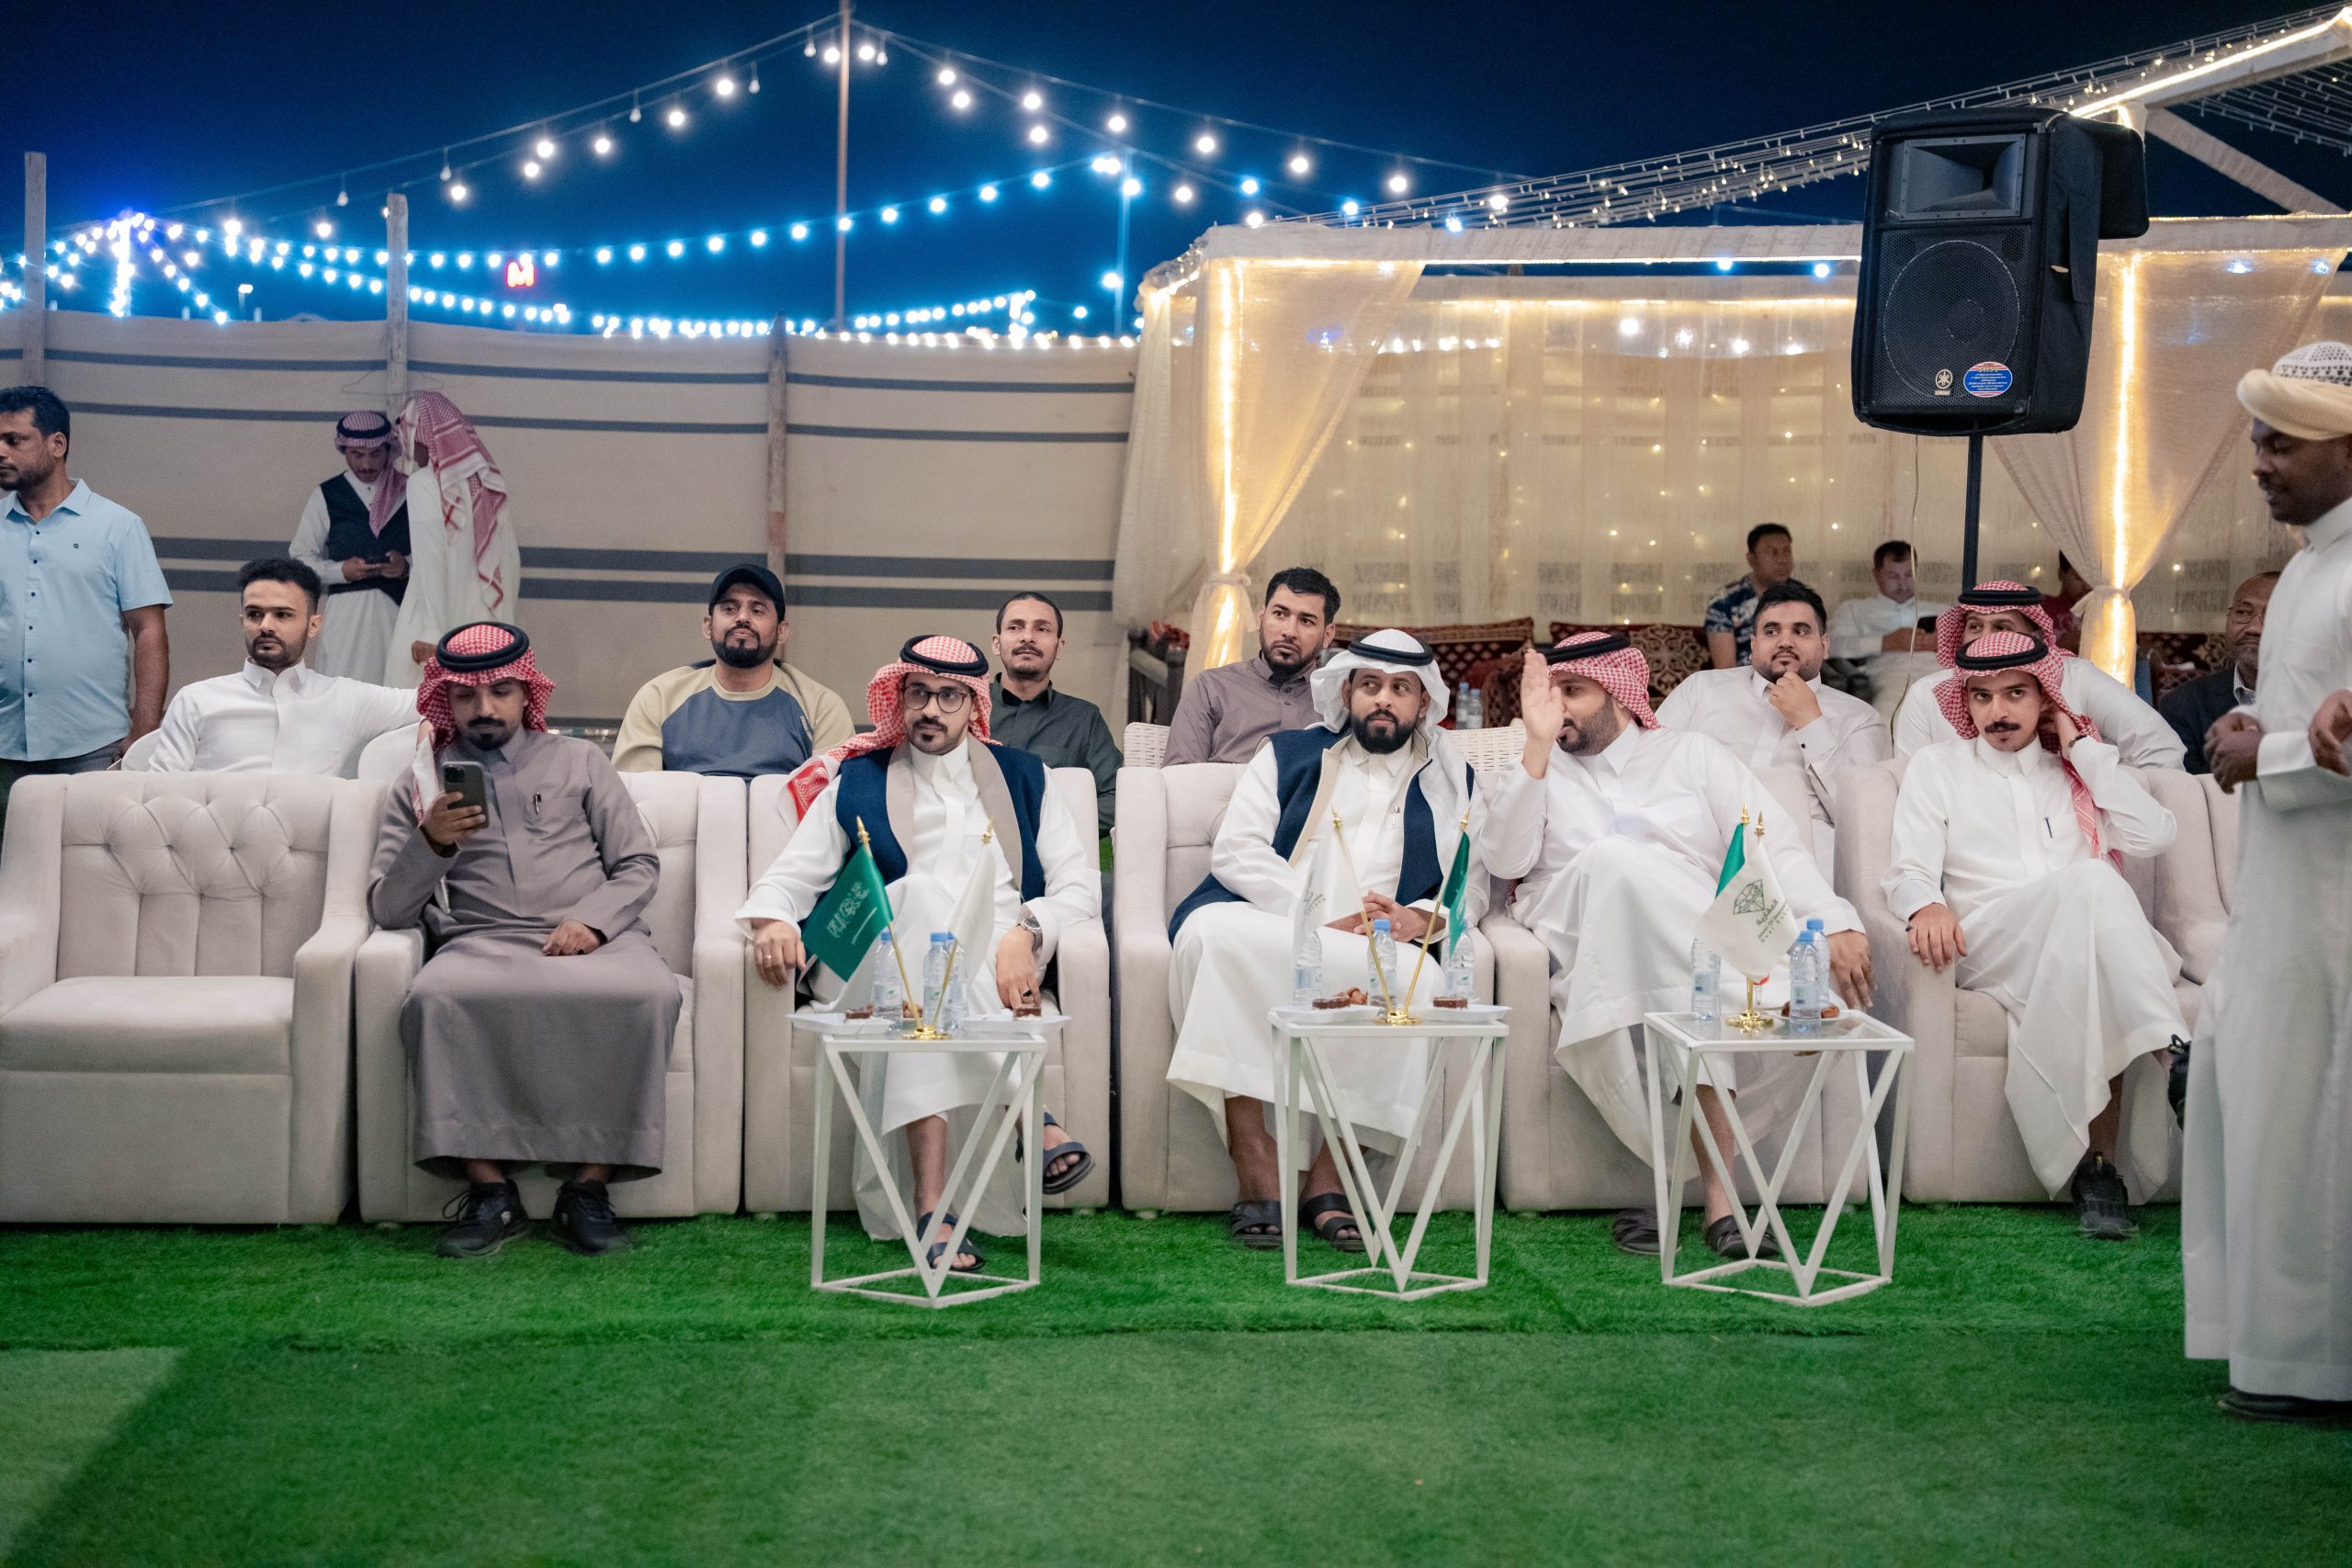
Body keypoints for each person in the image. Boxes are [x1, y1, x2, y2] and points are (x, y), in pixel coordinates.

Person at [1488, 632, 1872, 1260]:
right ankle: (1770, 994)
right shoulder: (1537, 766)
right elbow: (1505, 861)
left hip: (1686, 939)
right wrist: (1534, 746)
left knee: (1688, 981)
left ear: (1619, 693)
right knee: (1618, 863)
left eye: (1573, 692)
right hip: (1584, 933)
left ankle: (1712, 1195)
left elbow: (1769, 844)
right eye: (1549, 696)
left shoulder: (1692, 754)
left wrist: (1832, 920)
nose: (1558, 709)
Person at [739, 636, 1100, 1272]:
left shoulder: (1026, 777)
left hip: (989, 964)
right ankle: (1032, 1115)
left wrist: (1025, 932)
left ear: (975, 704)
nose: (931, 708)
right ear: (898, 697)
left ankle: (932, 1208)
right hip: (870, 965)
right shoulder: (858, 779)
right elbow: (789, 878)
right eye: (918, 693)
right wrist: (771, 918)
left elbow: (1079, 887)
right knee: (926, 900)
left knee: (940, 971)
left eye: (949, 696)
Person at [1165, 629, 1485, 1252]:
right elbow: (1236, 848)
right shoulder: (1287, 753)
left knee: (1419, 981)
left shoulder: (1455, 779)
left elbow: (1470, 885)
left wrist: (1420, 919)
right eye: (1370, 685)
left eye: (1401, 688)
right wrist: (1313, 916)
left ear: (1424, 702)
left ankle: (1331, 1175)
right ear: (1346, 692)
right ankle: (1253, 1156)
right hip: (1279, 921)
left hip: (1381, 941)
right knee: (1211, 935)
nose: (1384, 699)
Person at [369, 623, 680, 1259]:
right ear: (445, 700)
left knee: (650, 995)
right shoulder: (421, 785)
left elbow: (638, 864)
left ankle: (587, 1189)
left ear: (527, 693)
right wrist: (431, 841)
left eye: (500, 692)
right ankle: (492, 1191)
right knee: (434, 1000)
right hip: (480, 941)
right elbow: (389, 907)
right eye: (466, 696)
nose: (483, 708)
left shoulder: (581, 761)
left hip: (596, 937)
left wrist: (593, 921)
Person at [1883, 631, 2187, 1241]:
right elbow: (1909, 869)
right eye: (1982, 696)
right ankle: (2177, 1059)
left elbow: (2155, 834)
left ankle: (2099, 1175)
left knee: (2089, 940)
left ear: (2046, 698)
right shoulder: (1938, 767)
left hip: (2081, 937)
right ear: (1964, 702)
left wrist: (2083, 750)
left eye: (2016, 694)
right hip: (1989, 940)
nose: (1997, 710)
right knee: (2094, 881)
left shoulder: (2074, 771)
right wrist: (1927, 904)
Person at [2186, 340, 2352, 1425]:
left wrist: (2271, 755)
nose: (2258, 462)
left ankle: (2315, 1365)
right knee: (2263, 1106)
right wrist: (2256, 733)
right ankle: (2276, 1350)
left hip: (2334, 908)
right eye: (2256, 440)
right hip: (2284, 896)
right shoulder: (2306, 567)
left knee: (2316, 1122)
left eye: (2281, 443)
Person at [0, 387, 172, 831]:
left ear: (57, 444)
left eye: (14, 440)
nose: (1, 451)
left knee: (89, 866)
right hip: (4, 745)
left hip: (93, 746)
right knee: (8, 867)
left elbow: (149, 630)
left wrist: (144, 731)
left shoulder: (118, 527)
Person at [1657, 579, 1890, 881]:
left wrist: (1811, 723)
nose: (1785, 641)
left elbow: (1862, 821)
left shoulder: (1859, 718)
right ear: (1753, 644)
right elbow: (1651, 767)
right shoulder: (1701, 689)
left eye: (1800, 631)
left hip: (1803, 860)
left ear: (1824, 646)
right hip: (1698, 849)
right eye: (1771, 631)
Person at [147, 558, 417, 774]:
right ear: (242, 621)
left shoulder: (347, 699)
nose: (265, 626)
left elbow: (433, 699)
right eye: (254, 614)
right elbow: (158, 796)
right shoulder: (196, 701)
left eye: (282, 615)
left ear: (314, 625)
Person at [1892, 581, 2185, 767]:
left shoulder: (2076, 678)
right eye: (1975, 627)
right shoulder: (1927, 695)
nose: (1985, 639)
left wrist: (2116, 802)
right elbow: (1910, 784)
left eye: (2002, 628)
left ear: (2036, 638)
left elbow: (2160, 747)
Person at [612, 563, 853, 777]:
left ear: (781, 631)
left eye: (757, 610)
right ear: (708, 626)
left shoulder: (820, 709)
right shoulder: (659, 699)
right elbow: (634, 802)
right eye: (729, 608)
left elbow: (831, 805)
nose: (742, 617)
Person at [384, 392, 522, 688]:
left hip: (437, 626)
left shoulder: (424, 483)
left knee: (419, 709)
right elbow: (510, 563)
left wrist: (432, 631)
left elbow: (430, 558)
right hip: (488, 628)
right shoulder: (489, 481)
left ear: (423, 434)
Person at [1162, 567, 1339, 764]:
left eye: (1306, 621)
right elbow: (1180, 777)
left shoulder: (1338, 701)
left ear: (1327, 635)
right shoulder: (1210, 688)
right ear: (1261, 618)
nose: (1289, 632)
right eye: (1280, 614)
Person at [288, 411, 410, 681]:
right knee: (343, 684)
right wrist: (341, 571)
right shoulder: (327, 494)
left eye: (375, 454)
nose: (366, 464)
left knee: (397, 684)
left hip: (400, 615)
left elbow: (435, 554)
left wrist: (406, 566)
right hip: (346, 617)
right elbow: (300, 558)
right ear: (344, 450)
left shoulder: (409, 490)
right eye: (357, 454)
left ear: (388, 450)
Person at [989, 590, 1122, 835]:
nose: (1027, 637)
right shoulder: (966, 709)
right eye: (1015, 627)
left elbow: (1118, 797)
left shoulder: (1084, 719)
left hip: (1054, 853)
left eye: (1042, 629)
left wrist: (1053, 827)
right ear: (997, 644)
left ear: (1059, 648)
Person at [2159, 572, 2278, 774]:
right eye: (2243, 612)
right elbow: (2181, 786)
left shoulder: (2324, 701)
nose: (2253, 628)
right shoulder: (2184, 704)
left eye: (2273, 614)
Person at [1827, 539, 1945, 719]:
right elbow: (1832, 647)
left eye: (1909, 575)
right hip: (1891, 678)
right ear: (1876, 574)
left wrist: (1943, 644)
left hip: (1941, 675)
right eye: (1893, 576)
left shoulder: (1942, 611)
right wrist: (1886, 642)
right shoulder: (1854, 609)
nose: (1903, 584)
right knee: (1896, 712)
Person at [1703, 523, 1795, 670]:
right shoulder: (1724, 602)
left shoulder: (1803, 597)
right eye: (1773, 553)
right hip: (1744, 680)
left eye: (1787, 551)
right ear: (1752, 559)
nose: (1782, 559)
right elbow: (1725, 667)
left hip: (1796, 678)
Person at [2045, 554, 2092, 654]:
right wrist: (2065, 644)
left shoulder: (2108, 613)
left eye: (2092, 579)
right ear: (2061, 574)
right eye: (2079, 577)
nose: (2087, 586)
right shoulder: (2042, 610)